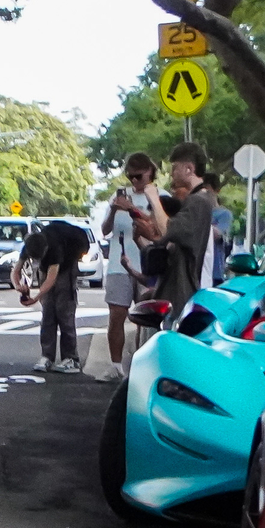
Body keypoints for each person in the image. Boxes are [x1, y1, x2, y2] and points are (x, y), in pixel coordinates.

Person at [97, 152, 163, 378]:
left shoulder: (159, 196)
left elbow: (158, 226)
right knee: (116, 315)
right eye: (130, 176)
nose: (134, 181)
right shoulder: (118, 197)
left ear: (150, 172)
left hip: (148, 262)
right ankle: (116, 366)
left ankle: (142, 366)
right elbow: (105, 230)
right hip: (119, 263)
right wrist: (115, 209)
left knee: (146, 319)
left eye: (138, 176)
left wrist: (132, 209)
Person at [19, 219, 90, 373]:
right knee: (48, 312)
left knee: (64, 311)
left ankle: (71, 358)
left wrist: (35, 297)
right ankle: (47, 356)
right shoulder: (30, 245)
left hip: (68, 261)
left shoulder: (55, 248)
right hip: (52, 265)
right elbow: (16, 270)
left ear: (45, 249)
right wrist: (19, 287)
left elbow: (51, 279)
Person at [159, 141, 218, 311]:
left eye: (175, 168)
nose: (172, 174)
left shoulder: (198, 202)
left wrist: (153, 199)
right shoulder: (199, 200)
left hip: (188, 292)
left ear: (189, 169)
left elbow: (167, 230)